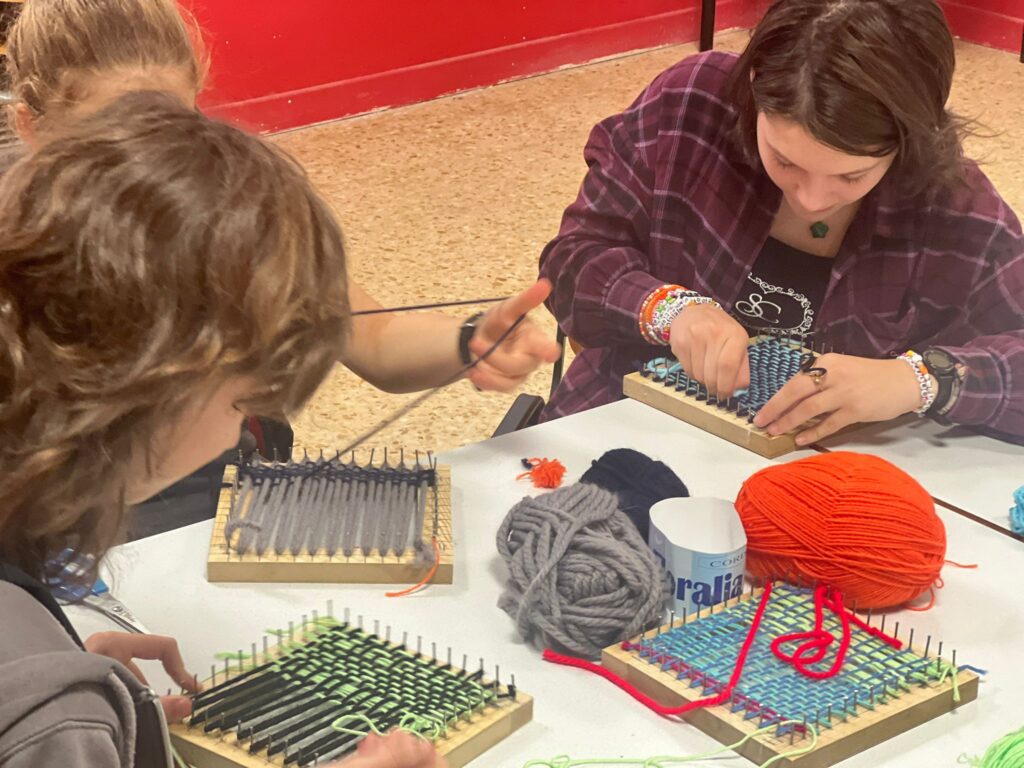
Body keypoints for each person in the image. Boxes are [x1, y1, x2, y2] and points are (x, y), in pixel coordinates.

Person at [0, 92, 443, 768]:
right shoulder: (48, 714)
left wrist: (68, 664)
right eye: (245, 401)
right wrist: (63, 716)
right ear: (164, 384)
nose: (246, 428)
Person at [4, 0, 561, 398]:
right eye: (108, 138)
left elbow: (374, 339)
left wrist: (468, 340)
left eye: (172, 125)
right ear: (29, 125)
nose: (145, 160)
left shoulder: (231, 205)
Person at [539, 0, 1024, 442]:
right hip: (628, 420)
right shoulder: (691, 106)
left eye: (851, 176)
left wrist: (919, 380)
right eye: (785, 160)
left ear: (911, 140)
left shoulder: (951, 205)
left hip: (823, 473)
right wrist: (667, 310)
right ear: (755, 89)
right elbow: (572, 263)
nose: (812, 201)